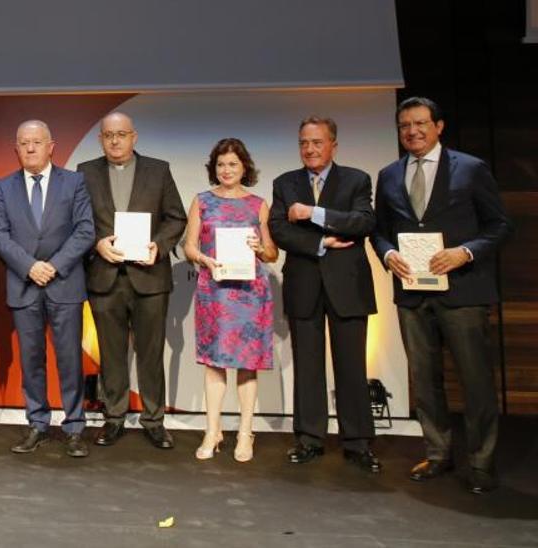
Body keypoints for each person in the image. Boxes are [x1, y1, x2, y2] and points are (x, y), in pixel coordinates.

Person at [372, 97, 511, 494]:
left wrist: (464, 252)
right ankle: (437, 453)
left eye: (419, 124)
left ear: (438, 126)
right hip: (413, 294)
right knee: (425, 379)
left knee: (475, 380)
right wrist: (388, 253)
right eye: (404, 126)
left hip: (464, 291)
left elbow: (499, 225)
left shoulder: (470, 168)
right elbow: (379, 229)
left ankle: (481, 462)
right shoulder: (389, 174)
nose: (412, 132)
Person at [269, 116, 382, 473]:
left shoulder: (356, 179)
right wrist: (322, 241)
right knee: (308, 366)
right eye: (304, 142)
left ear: (333, 144)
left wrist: (313, 213)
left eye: (317, 142)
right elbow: (278, 229)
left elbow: (363, 222)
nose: (310, 149)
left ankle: (358, 442)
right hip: (304, 283)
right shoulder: (285, 182)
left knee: (351, 366)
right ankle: (309, 438)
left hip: (347, 285)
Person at [76, 112, 186, 450]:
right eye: (108, 135)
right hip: (105, 276)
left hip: (149, 276)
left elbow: (176, 217)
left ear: (133, 137)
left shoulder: (158, 169)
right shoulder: (85, 172)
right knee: (111, 355)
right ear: (100, 139)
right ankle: (114, 419)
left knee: (151, 353)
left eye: (121, 134)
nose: (114, 140)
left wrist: (159, 245)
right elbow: (77, 219)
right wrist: (96, 242)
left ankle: (154, 421)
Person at [0, 120, 95, 458]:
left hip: (64, 283)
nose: (30, 148)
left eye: (36, 142)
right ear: (16, 149)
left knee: (69, 360)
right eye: (24, 143)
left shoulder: (75, 182)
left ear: (51, 146)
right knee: (31, 359)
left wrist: (55, 265)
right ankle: (37, 422)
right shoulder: (4, 188)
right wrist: (30, 266)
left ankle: (75, 426)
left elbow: (84, 230)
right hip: (24, 284)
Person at [183, 138, 278, 462]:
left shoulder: (258, 204)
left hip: (251, 294)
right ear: (214, 168)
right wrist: (204, 261)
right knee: (214, 363)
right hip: (215, 292)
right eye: (221, 164)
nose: (226, 170)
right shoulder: (202, 201)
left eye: (233, 164)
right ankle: (213, 431)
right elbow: (189, 246)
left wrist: (258, 247)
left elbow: (272, 253)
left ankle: (245, 432)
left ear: (244, 168)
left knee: (247, 365)